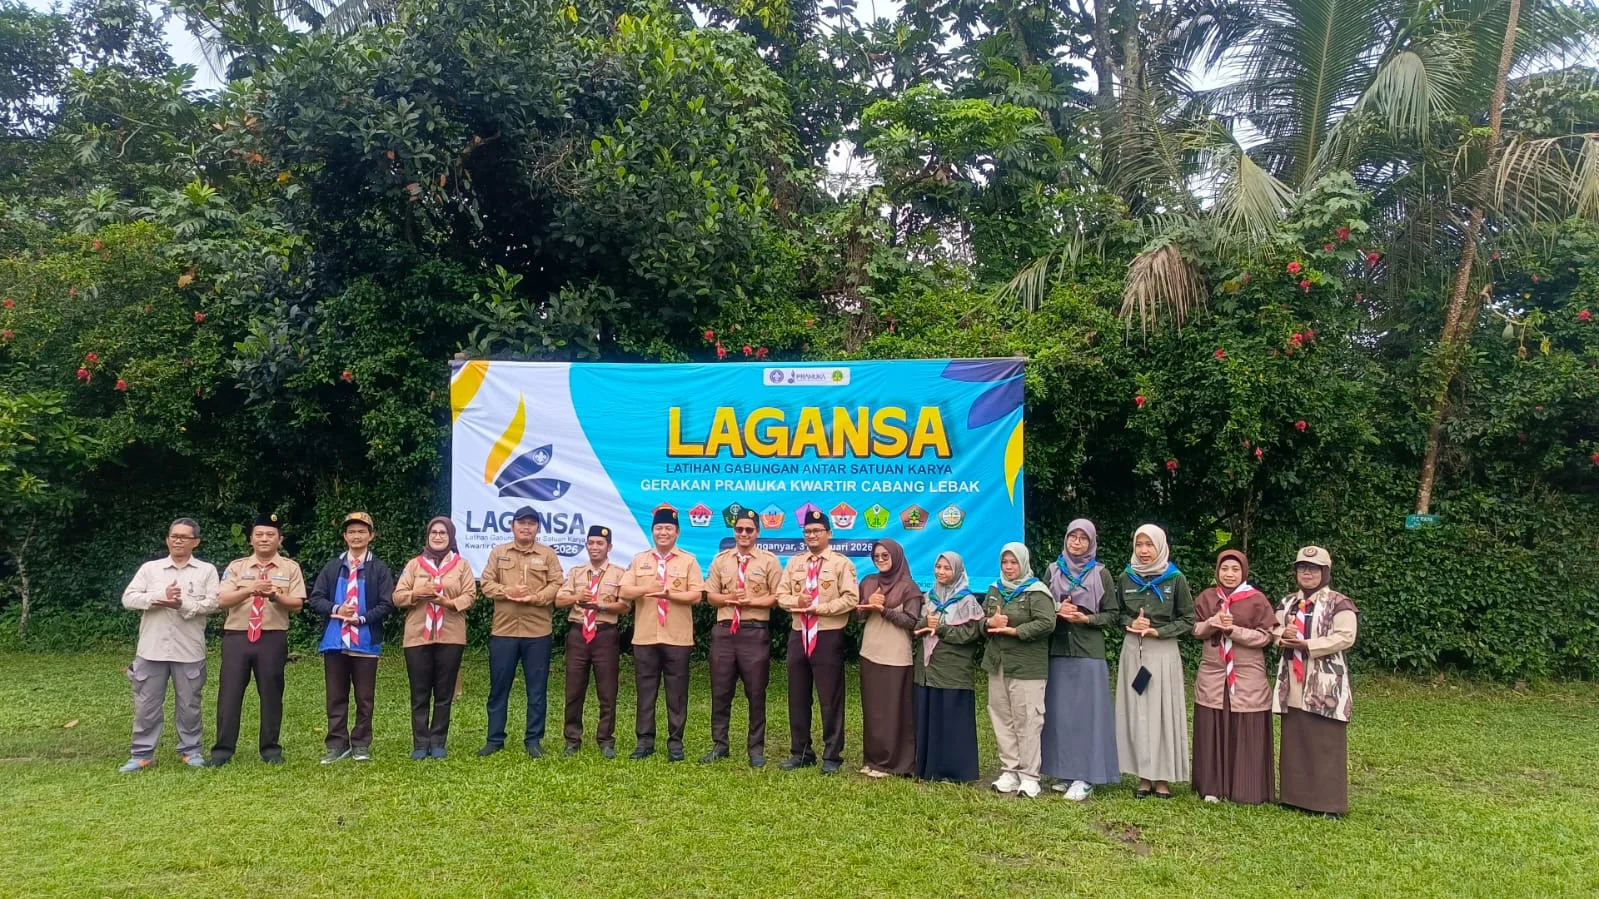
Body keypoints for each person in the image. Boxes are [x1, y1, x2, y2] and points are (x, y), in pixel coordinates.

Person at [117, 518, 220, 772]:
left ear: (195, 542)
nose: (177, 540)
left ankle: (191, 751)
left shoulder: (206, 571)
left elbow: (213, 604)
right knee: (146, 704)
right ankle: (142, 753)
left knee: (190, 705)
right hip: (151, 649)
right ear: (167, 539)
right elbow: (128, 598)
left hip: (189, 649)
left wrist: (182, 604)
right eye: (174, 536)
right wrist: (159, 598)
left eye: (184, 537)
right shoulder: (150, 569)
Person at [210, 512, 305, 767]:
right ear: (251, 539)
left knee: (272, 694)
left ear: (280, 539)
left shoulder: (290, 568)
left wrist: (274, 596)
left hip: (272, 638)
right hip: (237, 637)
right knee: (230, 693)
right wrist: (250, 589)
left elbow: (296, 604)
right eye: (259, 535)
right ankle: (222, 750)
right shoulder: (236, 567)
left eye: (270, 535)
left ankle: (271, 749)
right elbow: (222, 600)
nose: (265, 539)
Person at [1274, 545, 1358, 816]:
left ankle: (1327, 802)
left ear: (1325, 572)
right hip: (1293, 677)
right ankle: (1294, 796)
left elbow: (1346, 636)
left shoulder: (1338, 602)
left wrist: (1308, 645)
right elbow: (1272, 630)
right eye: (1302, 568)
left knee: (1324, 739)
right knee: (1295, 736)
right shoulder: (1288, 602)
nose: (1307, 573)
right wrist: (1282, 637)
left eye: (1313, 569)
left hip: (1325, 681)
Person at [1041, 519, 1121, 801]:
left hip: (1089, 650)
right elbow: (1039, 606)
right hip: (1058, 648)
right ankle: (1063, 771)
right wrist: (1056, 609)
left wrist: (1086, 618)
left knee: (1088, 714)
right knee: (1060, 713)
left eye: (1083, 538)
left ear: (1092, 542)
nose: (1077, 542)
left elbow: (1113, 614)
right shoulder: (1052, 570)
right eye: (1072, 537)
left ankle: (1086, 775)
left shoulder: (1101, 573)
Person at [307, 511, 396, 764]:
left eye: (362, 531)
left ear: (371, 535)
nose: (356, 536)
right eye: (351, 532)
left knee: (365, 698)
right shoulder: (333, 566)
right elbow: (316, 598)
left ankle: (361, 743)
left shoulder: (378, 568)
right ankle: (337, 744)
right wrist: (336, 610)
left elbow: (387, 603)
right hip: (335, 641)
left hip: (365, 641)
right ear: (345, 536)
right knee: (335, 696)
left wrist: (362, 618)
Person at [776, 508, 859, 775]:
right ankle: (800, 752)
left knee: (830, 697)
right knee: (798, 696)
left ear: (829, 534)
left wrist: (820, 608)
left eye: (817, 531)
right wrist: (796, 603)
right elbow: (781, 595)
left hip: (827, 634)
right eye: (808, 531)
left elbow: (850, 599)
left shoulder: (841, 563)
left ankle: (832, 755)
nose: (812, 535)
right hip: (799, 633)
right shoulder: (795, 563)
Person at [617, 505, 704, 762]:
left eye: (668, 528)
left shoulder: (688, 560)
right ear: (652, 531)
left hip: (677, 636)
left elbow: (696, 596)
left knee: (676, 692)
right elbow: (624, 592)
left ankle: (675, 742)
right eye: (659, 528)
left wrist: (670, 594)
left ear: (677, 532)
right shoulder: (639, 560)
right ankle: (645, 741)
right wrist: (648, 587)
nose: (663, 532)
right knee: (646, 691)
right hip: (645, 636)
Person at [1113, 523, 1194, 798]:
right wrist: (1130, 623)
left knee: (1162, 712)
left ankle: (1163, 779)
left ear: (1160, 546)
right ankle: (1143, 777)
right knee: (1137, 711)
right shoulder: (1126, 577)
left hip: (1162, 651)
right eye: (1139, 544)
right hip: (1133, 651)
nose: (1144, 551)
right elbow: (1117, 613)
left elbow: (1188, 619)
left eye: (1149, 545)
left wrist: (1159, 631)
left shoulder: (1175, 579)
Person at [477, 506, 564, 759]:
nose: (526, 527)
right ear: (512, 526)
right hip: (503, 630)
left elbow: (557, 583)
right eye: (521, 523)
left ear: (538, 528)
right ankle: (494, 739)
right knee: (498, 688)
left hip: (538, 631)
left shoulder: (547, 554)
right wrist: (508, 592)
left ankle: (534, 740)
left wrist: (536, 597)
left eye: (531, 523)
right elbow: (486, 582)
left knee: (536, 690)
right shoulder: (499, 552)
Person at [1192, 548, 1276, 804]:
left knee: (1245, 727)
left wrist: (1234, 631)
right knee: (1212, 726)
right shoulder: (1207, 597)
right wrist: (1212, 623)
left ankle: (1246, 788)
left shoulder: (1257, 600)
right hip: (1213, 674)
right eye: (1224, 569)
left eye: (1235, 569)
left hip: (1246, 674)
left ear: (1244, 572)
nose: (1229, 574)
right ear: (1217, 571)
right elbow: (1194, 629)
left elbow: (1267, 636)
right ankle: (1212, 786)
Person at [701, 509, 783, 767]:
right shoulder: (721, 560)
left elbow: (778, 597)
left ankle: (756, 749)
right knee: (721, 691)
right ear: (734, 532)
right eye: (739, 530)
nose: (744, 534)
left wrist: (753, 601)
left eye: (749, 529)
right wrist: (728, 599)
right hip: (725, 631)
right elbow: (709, 595)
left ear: (758, 532)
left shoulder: (768, 561)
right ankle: (719, 744)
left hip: (754, 631)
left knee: (756, 692)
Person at [393, 516, 476, 760]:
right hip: (418, 636)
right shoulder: (414, 565)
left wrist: (449, 602)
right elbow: (397, 597)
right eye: (434, 532)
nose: (438, 536)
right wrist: (416, 593)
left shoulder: (461, 566)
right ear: (428, 536)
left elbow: (470, 595)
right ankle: (420, 742)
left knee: (444, 692)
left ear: (451, 537)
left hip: (450, 635)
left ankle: (438, 740)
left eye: (443, 532)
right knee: (419, 692)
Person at [980, 542, 1056, 798]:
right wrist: (990, 622)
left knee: (1028, 720)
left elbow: (1047, 622)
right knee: (1002, 717)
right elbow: (983, 619)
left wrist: (1016, 631)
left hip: (1027, 666)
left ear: (1023, 563)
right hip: (998, 662)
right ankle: (1009, 771)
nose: (1009, 567)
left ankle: (1030, 776)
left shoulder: (1037, 591)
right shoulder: (995, 589)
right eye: (1005, 562)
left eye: (1013, 563)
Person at [554, 525, 628, 758]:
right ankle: (572, 739)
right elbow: (559, 601)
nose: (595, 547)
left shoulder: (619, 573)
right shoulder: (576, 572)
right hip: (578, 634)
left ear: (609, 547)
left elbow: (625, 606)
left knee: (607, 690)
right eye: (591, 543)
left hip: (605, 634)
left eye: (600, 544)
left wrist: (601, 606)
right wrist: (577, 597)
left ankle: (606, 739)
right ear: (586, 545)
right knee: (574, 689)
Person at [912, 551, 984, 784]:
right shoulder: (929, 597)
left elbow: (971, 634)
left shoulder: (967, 600)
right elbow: (916, 628)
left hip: (953, 671)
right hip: (927, 670)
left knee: (952, 720)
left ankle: (955, 772)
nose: (941, 572)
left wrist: (941, 628)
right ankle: (928, 768)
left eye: (947, 568)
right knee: (930, 716)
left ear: (958, 571)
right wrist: (926, 623)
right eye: (938, 567)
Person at [856, 538, 922, 778]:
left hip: (896, 655)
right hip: (870, 651)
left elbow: (912, 623)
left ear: (896, 556)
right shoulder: (868, 582)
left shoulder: (909, 587)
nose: (881, 560)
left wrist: (883, 610)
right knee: (873, 710)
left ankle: (895, 764)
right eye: (877, 556)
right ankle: (873, 760)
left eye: (885, 555)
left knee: (895, 710)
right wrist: (866, 605)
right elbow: (859, 616)